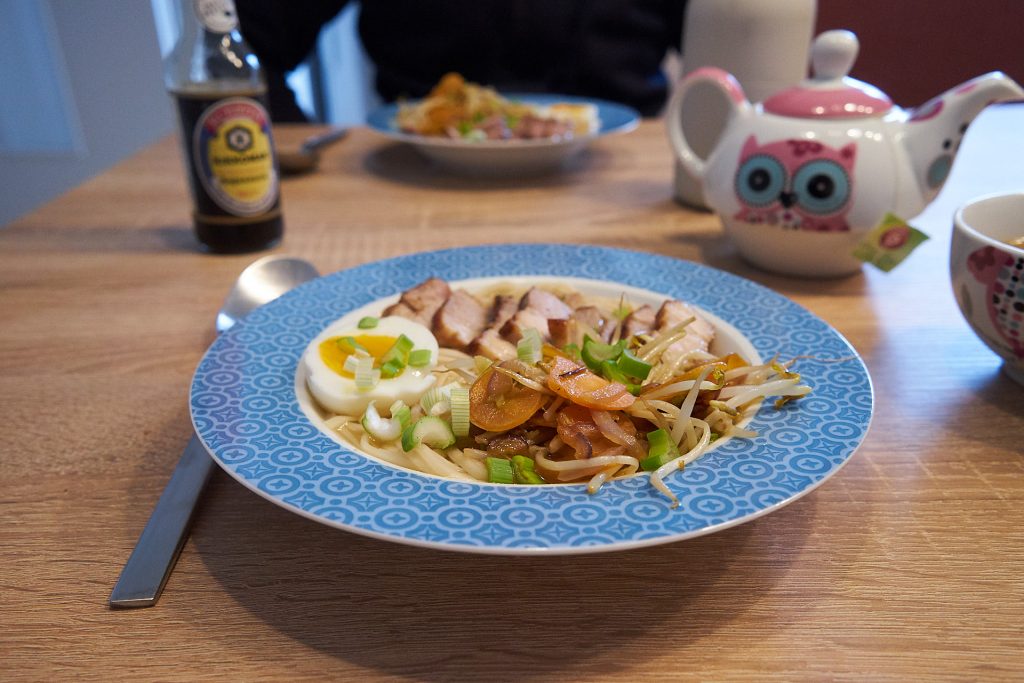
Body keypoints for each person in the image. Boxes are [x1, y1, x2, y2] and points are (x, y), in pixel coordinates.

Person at [235, 0, 688, 122]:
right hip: (406, 181)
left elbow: (737, 58)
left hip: (630, 182)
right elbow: (240, 41)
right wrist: (301, 158)